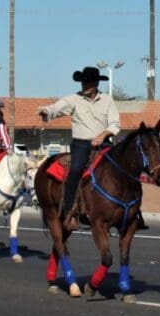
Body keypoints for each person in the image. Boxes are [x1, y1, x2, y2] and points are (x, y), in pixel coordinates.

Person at [38, 67, 121, 230]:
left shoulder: (107, 100)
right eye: (83, 82)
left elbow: (114, 124)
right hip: (81, 145)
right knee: (75, 170)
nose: (85, 85)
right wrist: (46, 111)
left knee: (121, 169)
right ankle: (70, 211)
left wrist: (103, 135)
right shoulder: (74, 99)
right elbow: (57, 107)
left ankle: (130, 211)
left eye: (88, 82)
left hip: (104, 143)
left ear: (96, 83)